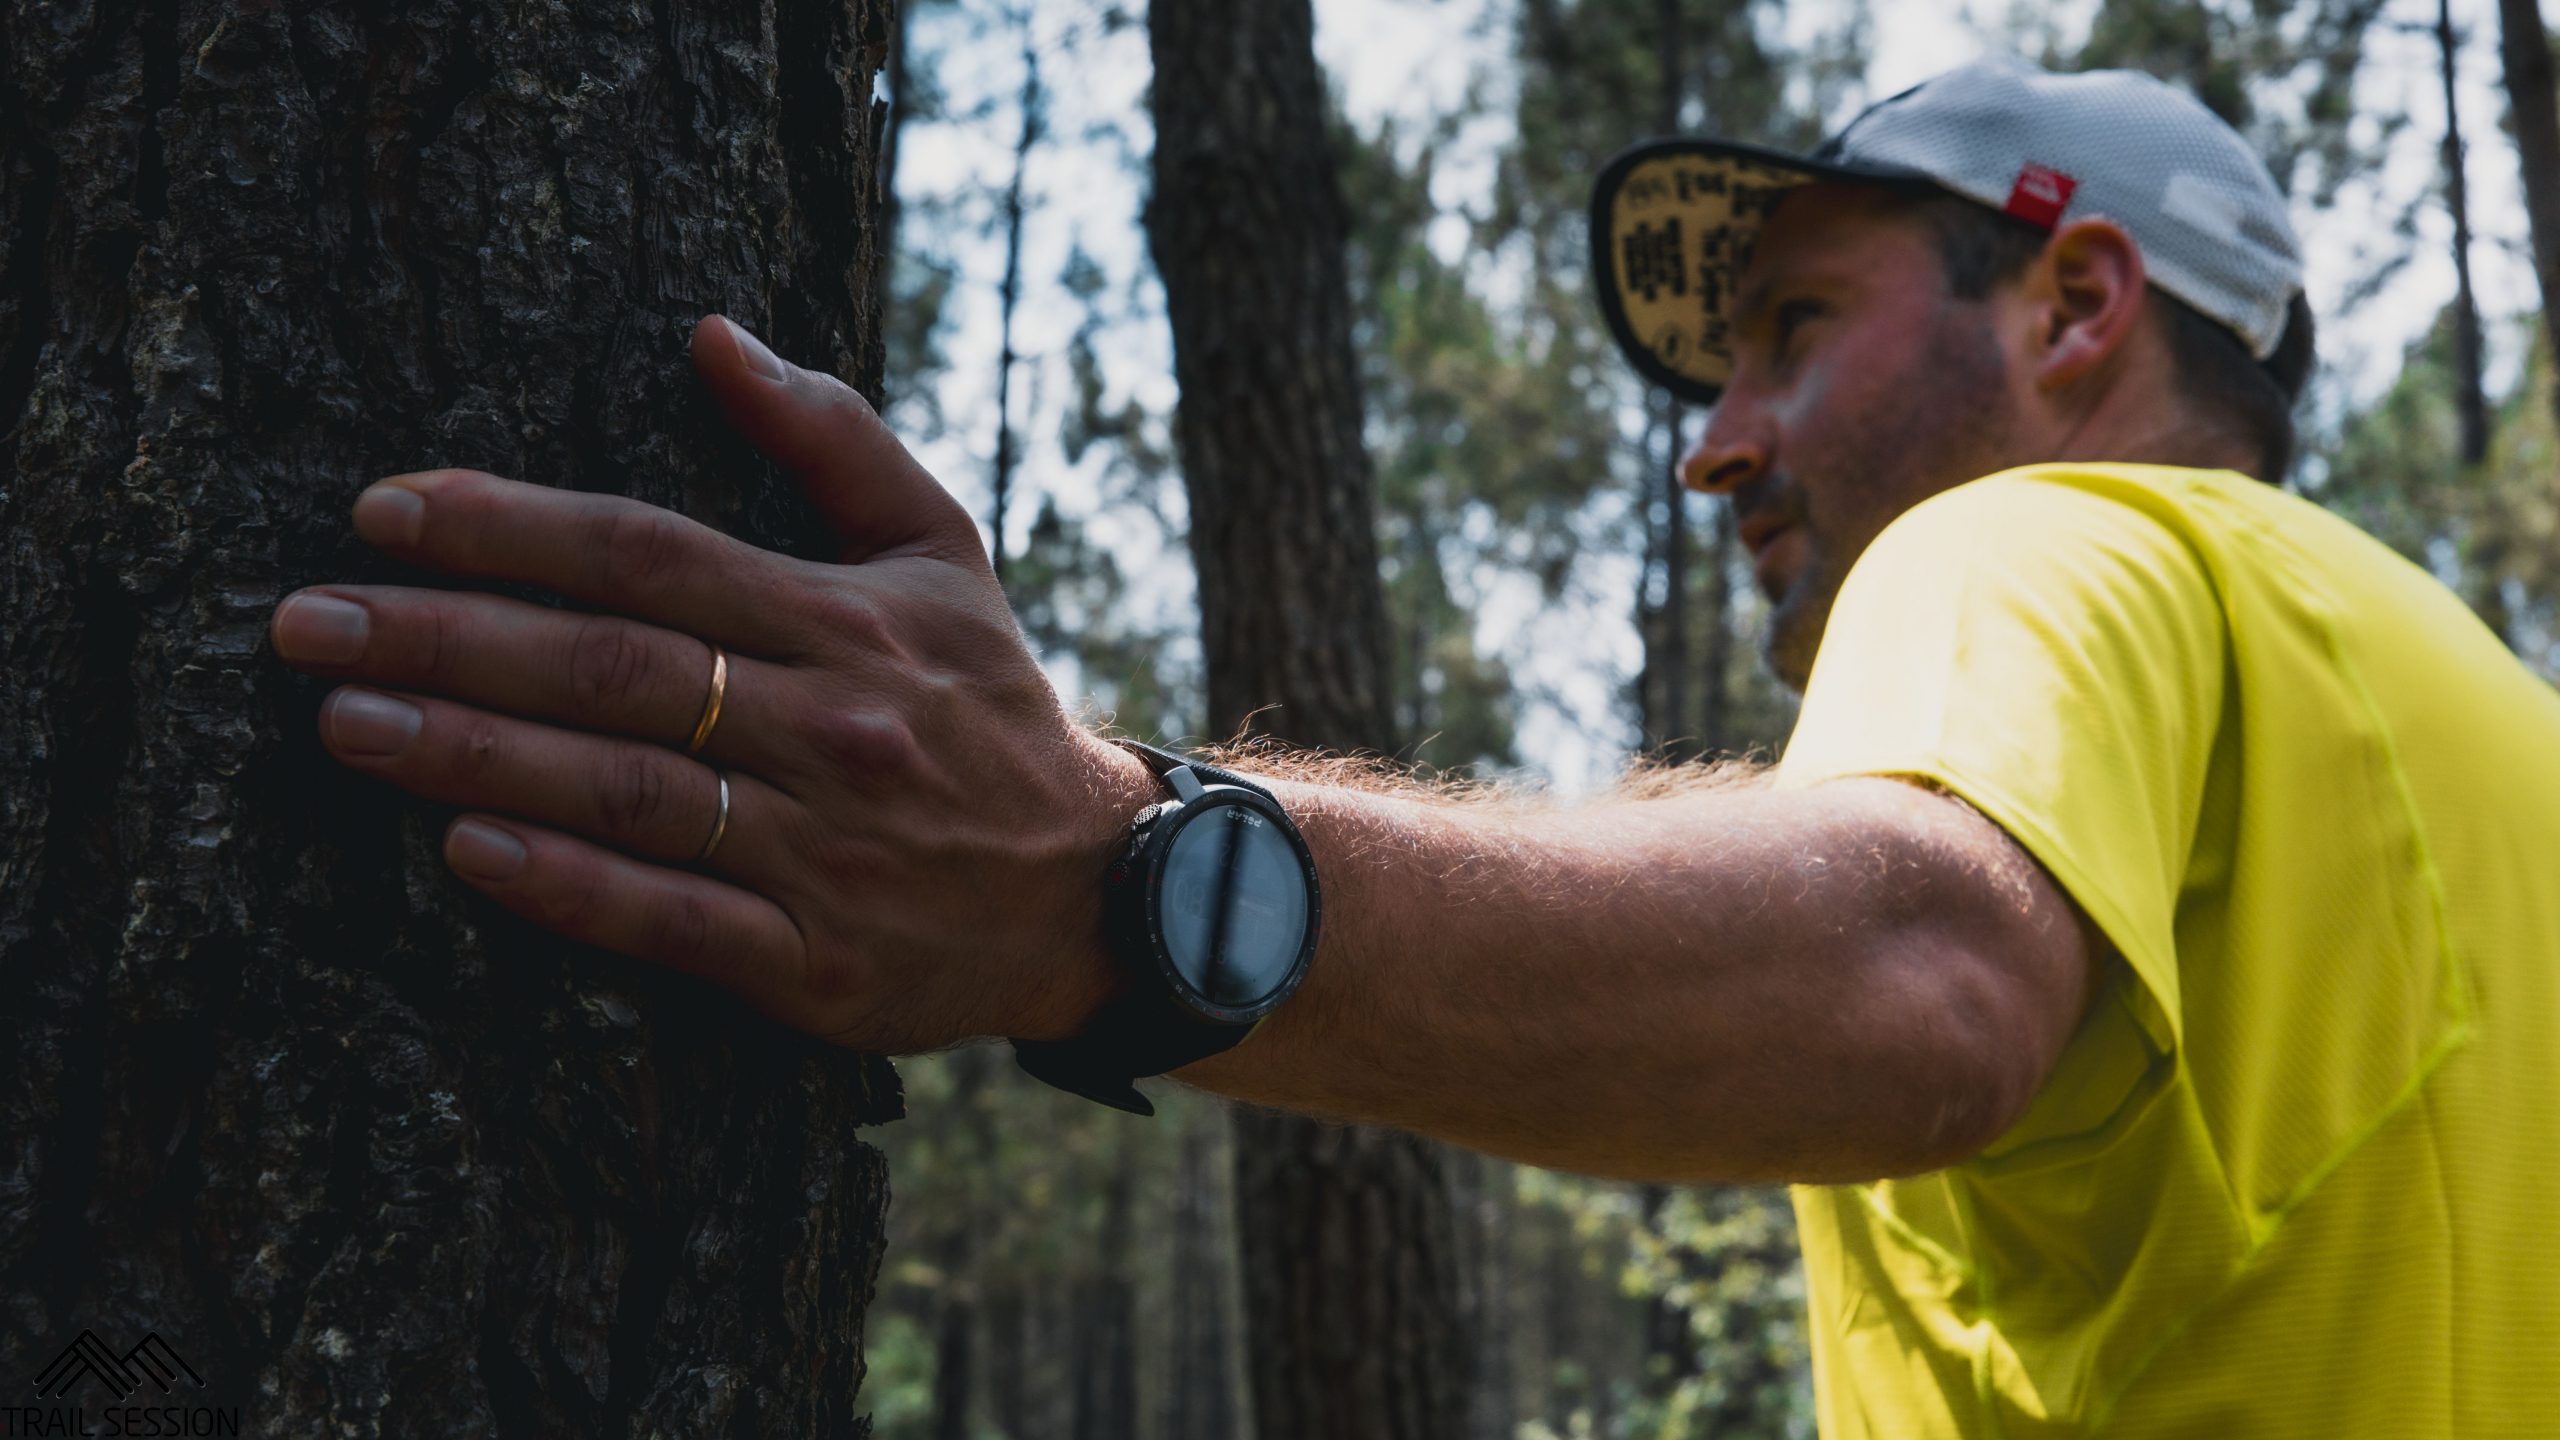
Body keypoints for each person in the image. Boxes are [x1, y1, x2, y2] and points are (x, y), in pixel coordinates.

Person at [264, 55, 2557, 1437]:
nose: (1711, 448)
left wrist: (1102, 878)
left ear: (2072, 305)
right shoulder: (2468, 709)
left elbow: (1919, 984)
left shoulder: (2040, 544)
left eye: (1790, 333)